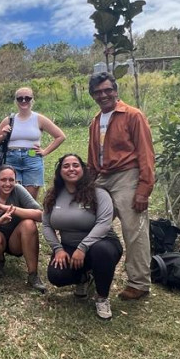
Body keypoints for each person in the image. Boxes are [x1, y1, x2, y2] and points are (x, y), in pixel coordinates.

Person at [87, 72, 156, 301]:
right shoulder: (96, 121)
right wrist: (87, 183)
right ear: (93, 95)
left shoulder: (133, 115)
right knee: (88, 220)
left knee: (133, 229)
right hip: (103, 176)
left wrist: (144, 189)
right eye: (98, 92)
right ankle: (88, 271)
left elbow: (146, 153)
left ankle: (139, 282)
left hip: (127, 175)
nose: (103, 95)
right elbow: (92, 157)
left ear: (115, 90)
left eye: (107, 90)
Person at [42, 154, 123, 320]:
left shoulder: (99, 193)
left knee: (101, 252)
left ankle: (102, 297)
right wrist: (58, 249)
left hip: (102, 243)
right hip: (69, 246)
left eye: (75, 165)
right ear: (59, 171)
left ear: (83, 170)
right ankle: (84, 277)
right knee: (56, 275)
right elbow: (46, 225)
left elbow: (104, 224)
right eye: (66, 166)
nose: (71, 169)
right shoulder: (53, 195)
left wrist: (83, 247)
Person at [0, 164, 46, 292]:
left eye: (11, 180)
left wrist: (8, 209)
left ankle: (33, 275)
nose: (7, 184)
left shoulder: (18, 190)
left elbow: (40, 215)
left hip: (17, 240)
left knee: (29, 224)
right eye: (3, 180)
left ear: (16, 180)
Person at [0, 86, 66, 199]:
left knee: (30, 198)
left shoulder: (39, 119)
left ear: (32, 100)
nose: (24, 101)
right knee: (13, 195)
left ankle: (29, 216)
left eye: (27, 98)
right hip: (12, 157)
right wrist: (3, 135)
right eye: (20, 98)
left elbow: (60, 136)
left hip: (32, 157)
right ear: (16, 101)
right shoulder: (9, 120)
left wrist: (45, 152)